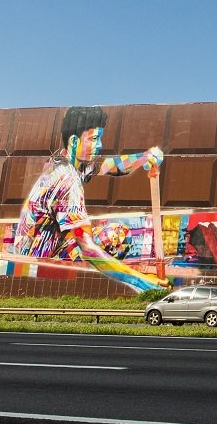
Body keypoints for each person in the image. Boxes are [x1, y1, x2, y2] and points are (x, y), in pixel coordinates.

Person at [9, 105, 165, 292]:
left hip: (47, 251)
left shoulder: (64, 162)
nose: (100, 145)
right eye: (94, 139)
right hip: (37, 267)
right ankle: (83, 290)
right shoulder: (67, 180)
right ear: (74, 141)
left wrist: (144, 157)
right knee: (109, 239)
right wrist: (143, 282)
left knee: (116, 233)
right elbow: (87, 247)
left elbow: (110, 166)